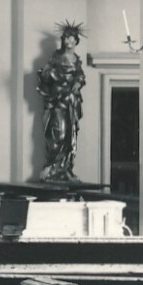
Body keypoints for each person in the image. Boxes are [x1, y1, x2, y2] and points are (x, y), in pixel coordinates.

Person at [37, 24, 86, 182]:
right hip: (57, 100)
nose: (68, 42)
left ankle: (65, 167)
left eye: (71, 39)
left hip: (70, 102)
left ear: (76, 41)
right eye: (65, 38)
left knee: (70, 136)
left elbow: (80, 77)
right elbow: (45, 76)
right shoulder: (55, 57)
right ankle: (52, 167)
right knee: (59, 133)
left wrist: (78, 83)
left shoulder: (77, 60)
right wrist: (50, 73)